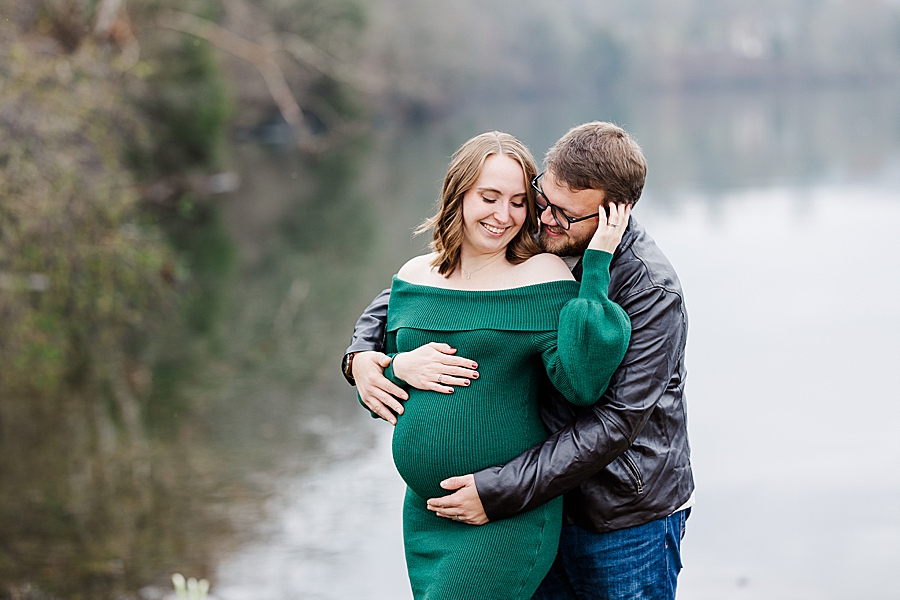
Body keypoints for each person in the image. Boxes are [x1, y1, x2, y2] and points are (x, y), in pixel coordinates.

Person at [343, 122, 694, 600]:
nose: (543, 220)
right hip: (529, 501)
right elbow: (418, 295)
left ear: (616, 214)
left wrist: (500, 491)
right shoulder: (533, 225)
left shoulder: (649, 289)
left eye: (566, 215)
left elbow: (613, 421)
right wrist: (365, 356)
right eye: (542, 199)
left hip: (617, 517)